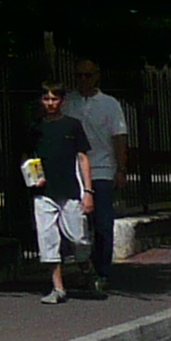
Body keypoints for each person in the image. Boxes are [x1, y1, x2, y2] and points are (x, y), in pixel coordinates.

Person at [29, 82, 97, 303]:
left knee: (78, 237)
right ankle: (58, 288)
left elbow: (83, 158)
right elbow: (27, 156)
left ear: (62, 101)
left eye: (54, 99)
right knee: (48, 240)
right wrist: (34, 176)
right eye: (46, 99)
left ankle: (86, 268)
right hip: (45, 193)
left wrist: (88, 191)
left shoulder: (72, 126)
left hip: (70, 190)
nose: (50, 103)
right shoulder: (36, 127)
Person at [66, 58, 132, 278]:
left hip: (102, 169)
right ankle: (85, 266)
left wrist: (121, 169)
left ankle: (102, 270)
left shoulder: (109, 104)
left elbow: (119, 136)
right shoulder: (68, 102)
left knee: (103, 223)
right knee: (76, 224)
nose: (83, 80)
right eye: (79, 76)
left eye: (88, 75)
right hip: (74, 172)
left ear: (97, 76)